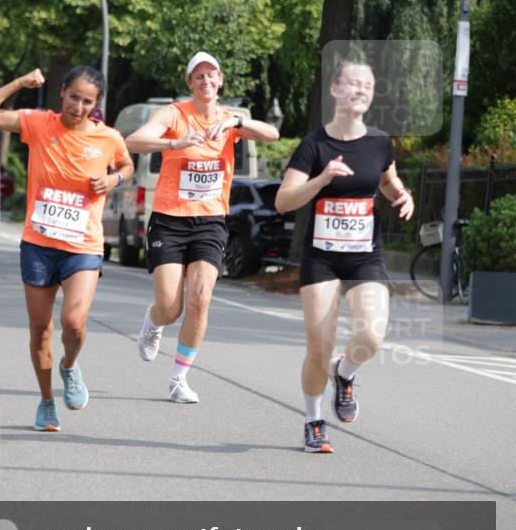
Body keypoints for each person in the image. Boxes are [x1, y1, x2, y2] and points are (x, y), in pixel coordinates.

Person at [0, 66, 133, 432]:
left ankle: (69, 367)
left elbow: (126, 163)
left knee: (73, 323)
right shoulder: (37, 123)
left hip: (83, 245)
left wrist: (115, 178)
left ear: (96, 105)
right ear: (62, 92)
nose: (79, 106)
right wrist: (18, 83)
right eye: (74, 96)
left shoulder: (108, 137)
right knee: (40, 330)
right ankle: (46, 401)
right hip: (39, 244)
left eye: (87, 101)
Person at [275, 60, 414, 454]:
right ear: (334, 90)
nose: (360, 89)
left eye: (367, 84)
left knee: (371, 335)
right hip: (321, 258)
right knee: (319, 347)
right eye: (352, 83)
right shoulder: (314, 146)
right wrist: (321, 179)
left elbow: (387, 180)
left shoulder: (379, 142)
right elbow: (284, 201)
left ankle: (345, 372)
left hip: (363, 255)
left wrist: (402, 195)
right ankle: (313, 421)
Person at [126, 52, 279, 403]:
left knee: (200, 298)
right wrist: (173, 143)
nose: (206, 81)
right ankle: (153, 322)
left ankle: (179, 378)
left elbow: (272, 133)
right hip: (169, 220)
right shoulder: (174, 114)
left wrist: (235, 126)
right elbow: (134, 141)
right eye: (199, 76)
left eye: (211, 75)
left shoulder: (230, 120)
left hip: (210, 221)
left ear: (220, 81)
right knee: (170, 307)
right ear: (190, 83)